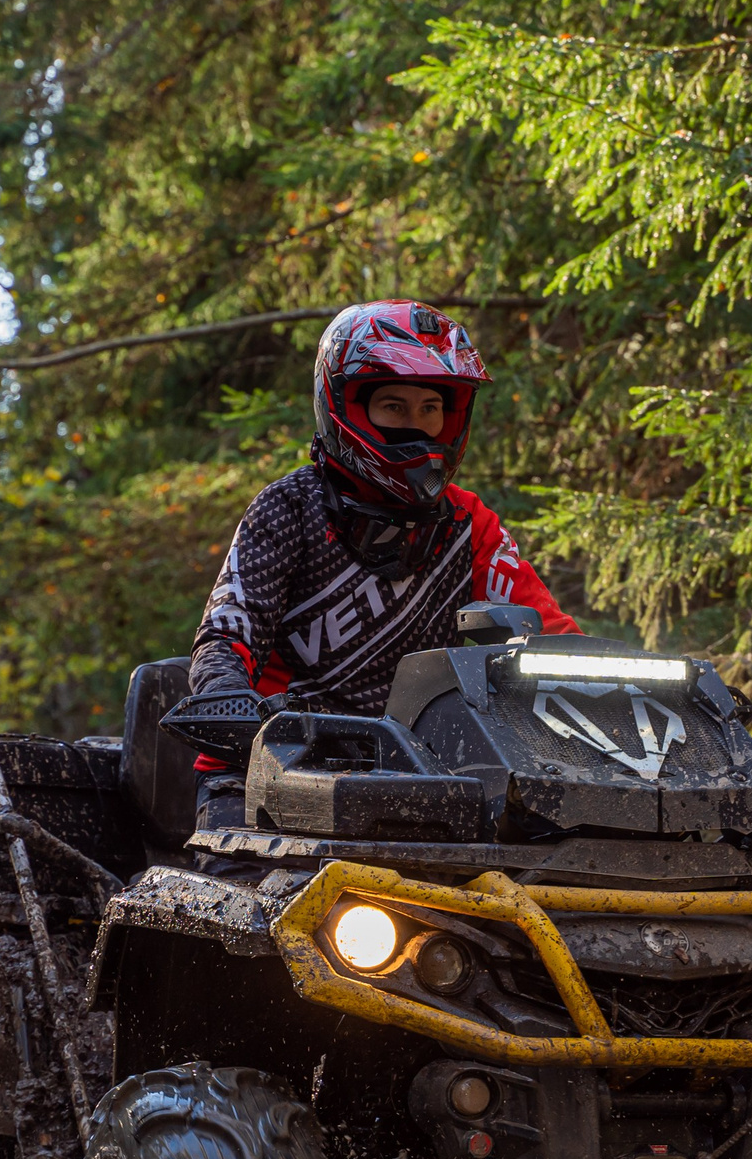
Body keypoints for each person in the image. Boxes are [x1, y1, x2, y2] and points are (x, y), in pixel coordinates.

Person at [188, 300, 578, 828]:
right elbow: (226, 635)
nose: (415, 425)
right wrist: (227, 700)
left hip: (426, 777)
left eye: (429, 409)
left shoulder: (468, 522)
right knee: (262, 898)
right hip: (271, 771)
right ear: (346, 406)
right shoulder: (290, 508)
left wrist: (612, 693)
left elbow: (552, 638)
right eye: (393, 407)